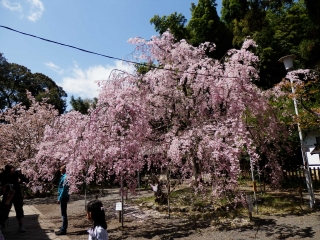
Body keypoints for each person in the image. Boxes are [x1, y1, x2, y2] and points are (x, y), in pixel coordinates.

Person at [0, 165, 29, 233]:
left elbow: (25, 180)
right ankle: (2, 224)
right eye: (12, 168)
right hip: (7, 194)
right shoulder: (3, 174)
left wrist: (21, 176)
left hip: (16, 194)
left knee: (19, 209)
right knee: (5, 209)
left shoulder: (16, 174)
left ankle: (21, 225)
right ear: (8, 169)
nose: (13, 169)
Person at [55, 165, 69, 236]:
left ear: (64, 170)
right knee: (63, 213)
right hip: (63, 196)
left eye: (61, 169)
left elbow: (64, 189)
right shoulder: (63, 176)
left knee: (63, 214)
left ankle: (63, 229)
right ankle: (63, 228)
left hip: (63, 197)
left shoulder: (65, 177)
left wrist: (59, 198)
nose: (60, 170)